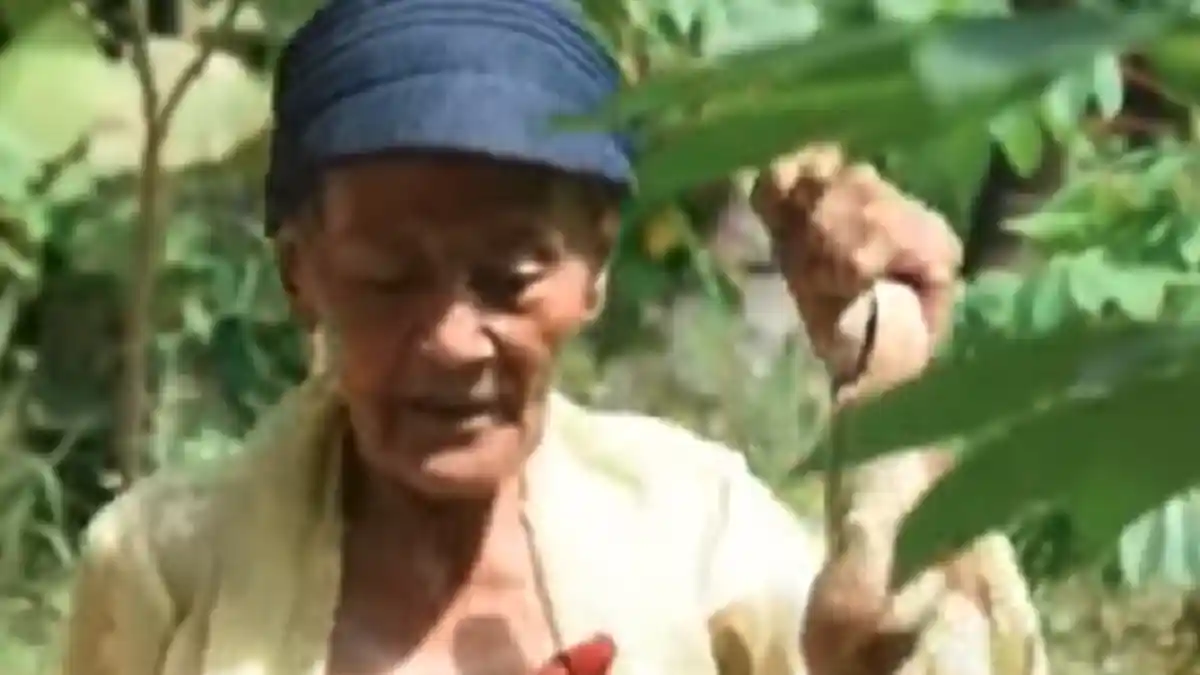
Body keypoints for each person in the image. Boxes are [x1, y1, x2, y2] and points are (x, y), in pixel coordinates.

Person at [57, 1, 1048, 675]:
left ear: (597, 270)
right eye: (388, 276)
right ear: (298, 277)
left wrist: (896, 405)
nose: (451, 339)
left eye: (511, 276)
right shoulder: (166, 565)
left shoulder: (699, 533)